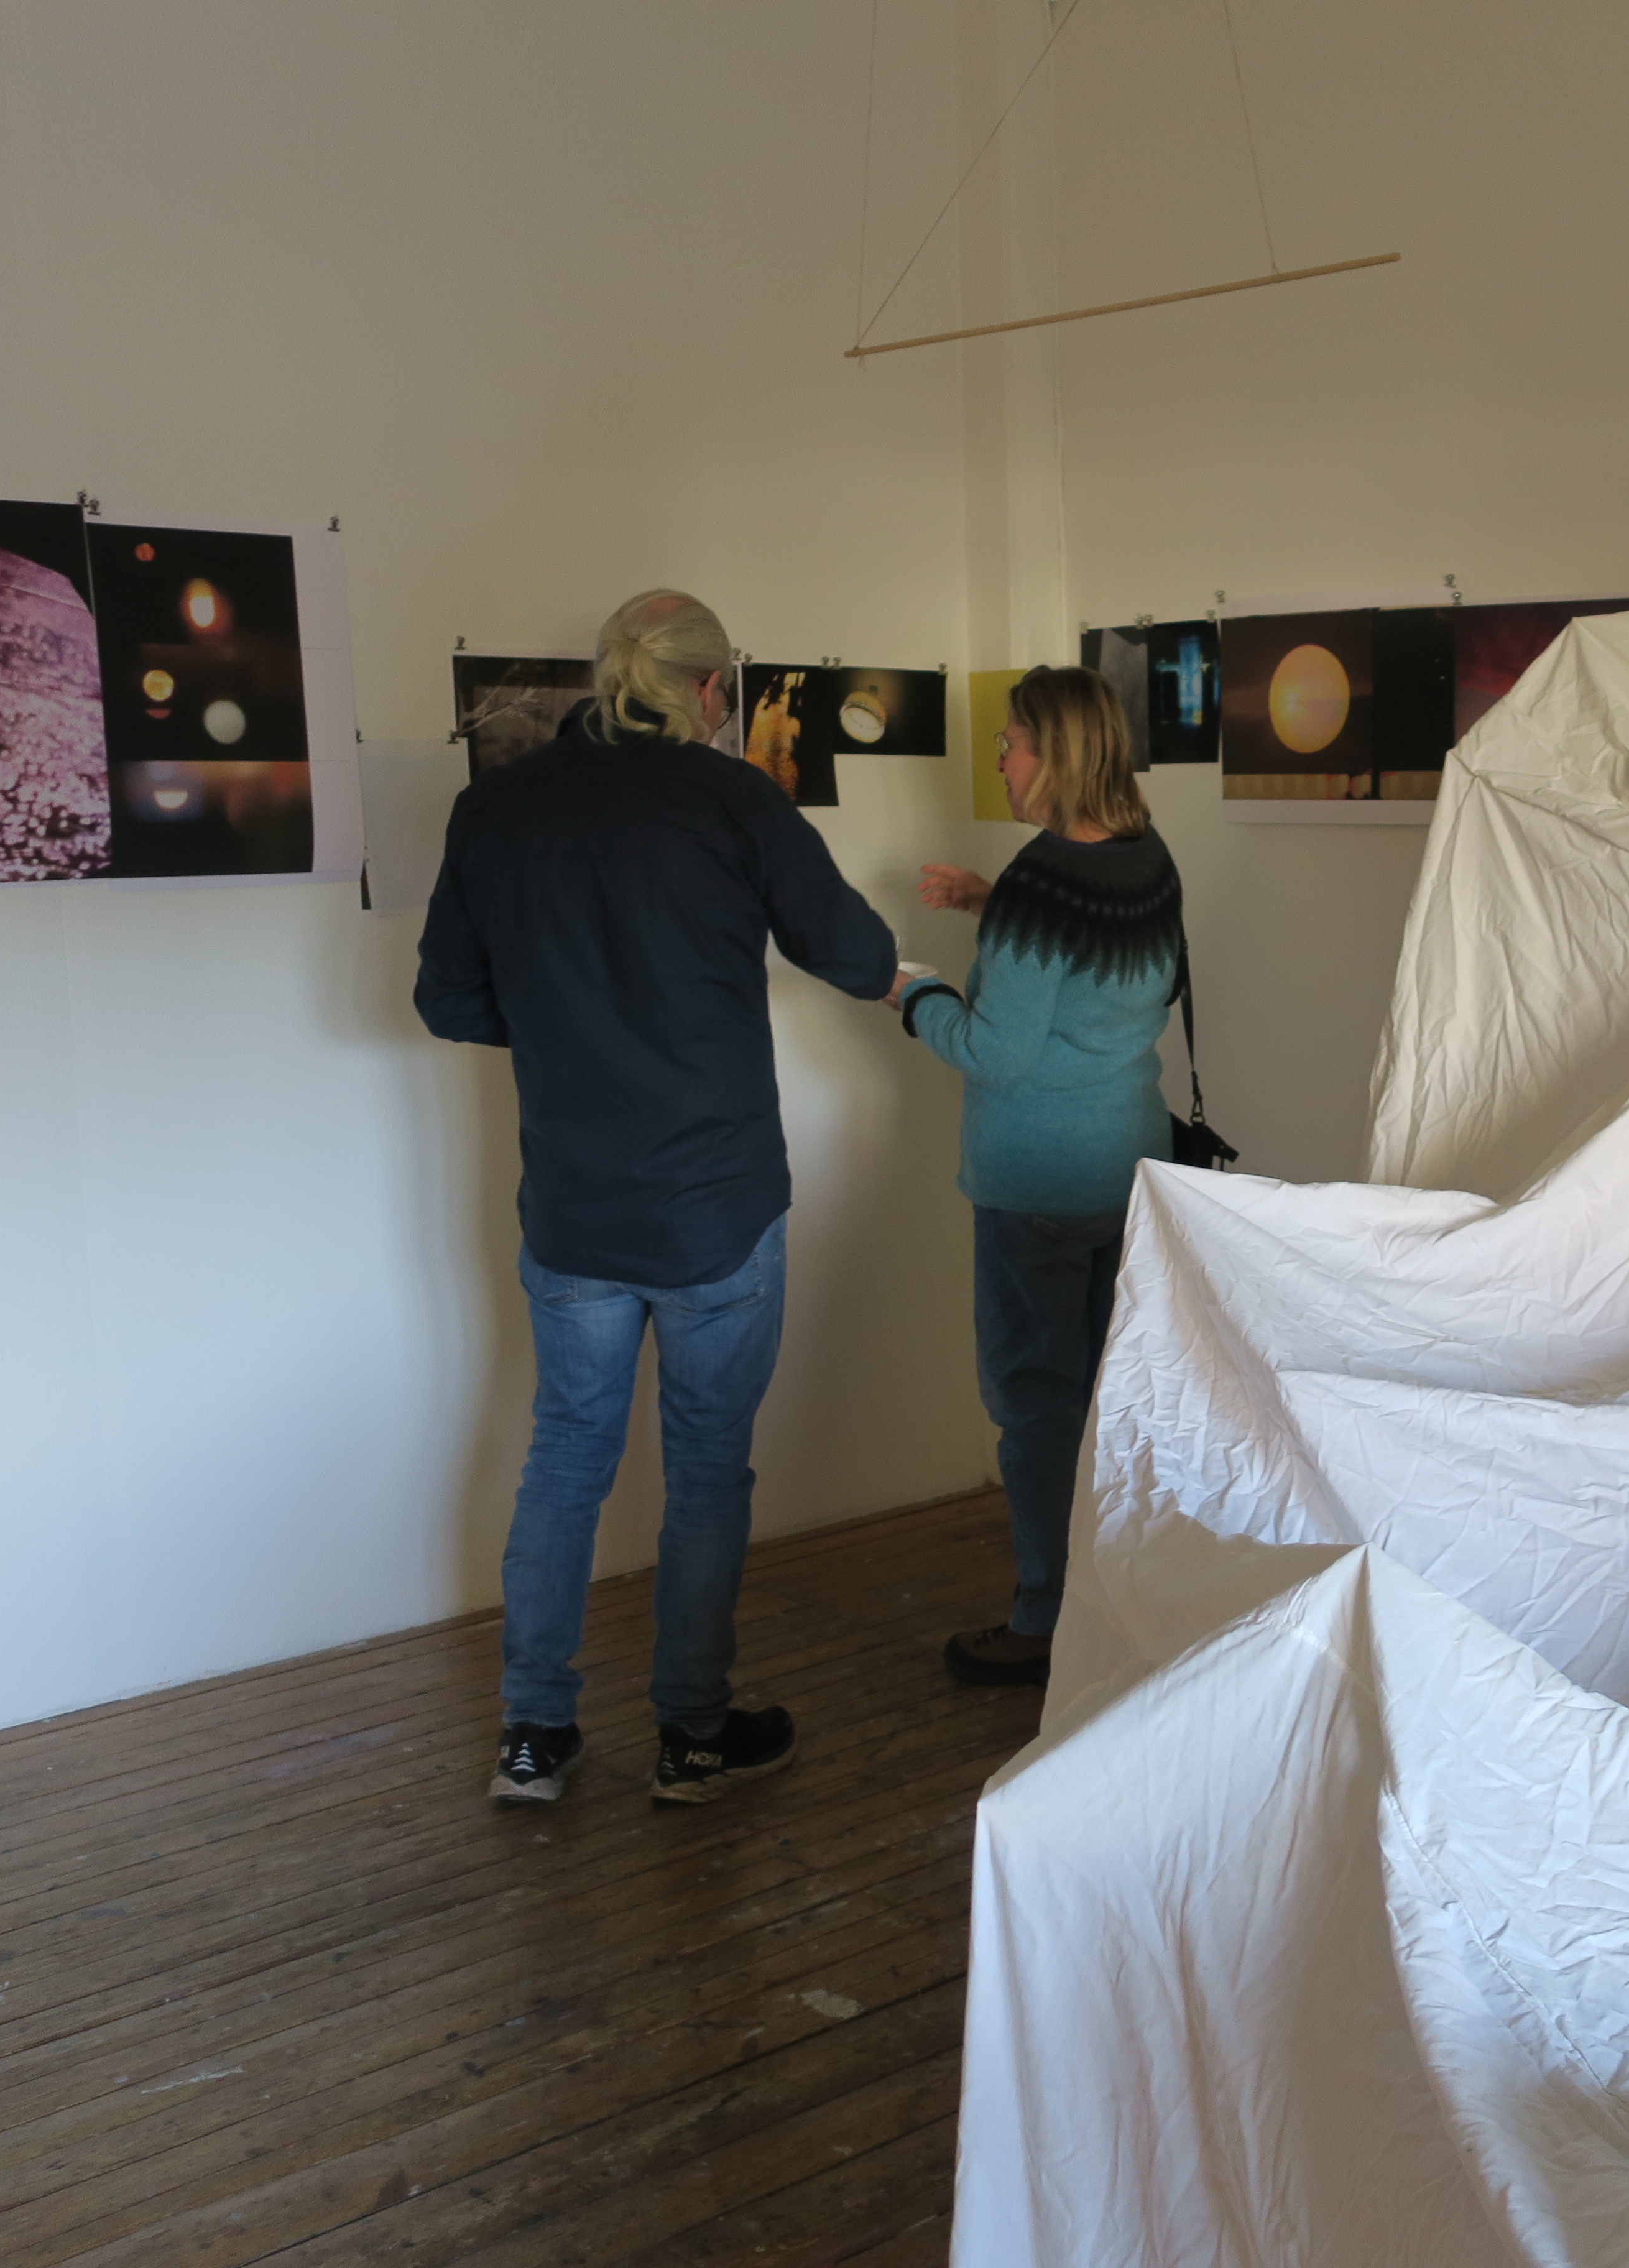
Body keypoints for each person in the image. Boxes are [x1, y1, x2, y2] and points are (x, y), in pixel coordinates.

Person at [415, 589, 898, 1806]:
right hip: (714, 1208)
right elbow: (854, 955)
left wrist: (570, 1023)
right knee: (707, 1473)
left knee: (564, 1460)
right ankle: (692, 1735)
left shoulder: (498, 805)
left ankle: (533, 1738)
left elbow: (448, 1001)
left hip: (574, 1207)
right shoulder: (735, 800)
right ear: (713, 690)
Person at [894, 666, 1181, 1688]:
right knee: (1116, 1398)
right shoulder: (1147, 857)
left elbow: (995, 1052)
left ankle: (1045, 1618)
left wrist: (909, 992)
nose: (1001, 758)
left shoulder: (1039, 882)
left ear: (1054, 754)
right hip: (1130, 1170)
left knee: (1035, 1406)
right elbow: (1112, 984)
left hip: (1037, 1188)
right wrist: (990, 903)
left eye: (1012, 741)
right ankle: (1127, 1605)